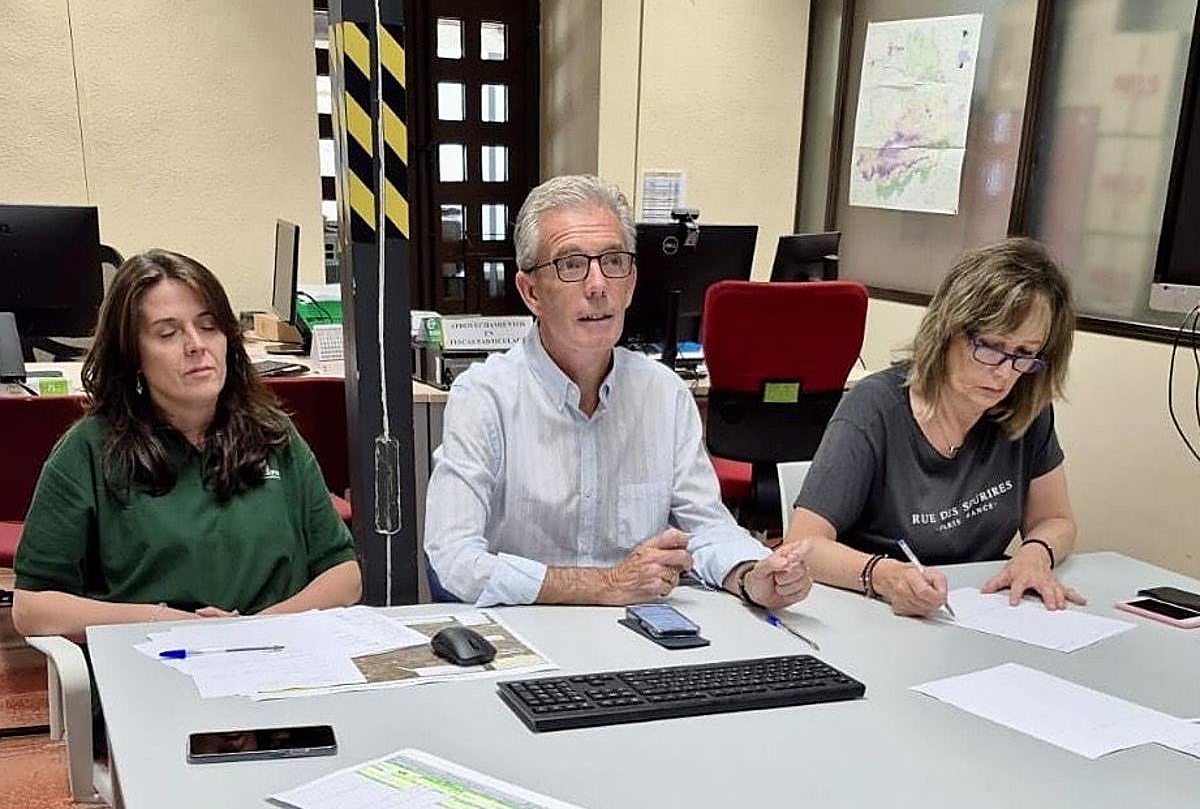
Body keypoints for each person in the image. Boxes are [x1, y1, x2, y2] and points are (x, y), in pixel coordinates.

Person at [424, 175, 811, 608]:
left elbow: (705, 527)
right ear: (530, 291)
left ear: (630, 282)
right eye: (571, 264)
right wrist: (605, 585)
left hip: (640, 634)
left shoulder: (663, 394)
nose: (597, 285)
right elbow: (452, 558)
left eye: (613, 261)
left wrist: (751, 575)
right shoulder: (485, 396)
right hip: (527, 635)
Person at [13, 250, 362, 642]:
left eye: (209, 326)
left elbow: (344, 574)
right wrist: (164, 623)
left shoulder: (272, 434)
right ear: (133, 355)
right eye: (168, 332)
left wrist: (253, 631)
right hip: (153, 664)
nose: (196, 344)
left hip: (275, 661)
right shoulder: (89, 450)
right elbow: (32, 608)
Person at [785, 237, 1084, 617]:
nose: (1005, 372)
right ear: (948, 331)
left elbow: (1055, 520)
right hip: (875, 612)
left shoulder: (1026, 410)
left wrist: (1035, 553)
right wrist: (887, 576)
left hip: (982, 612)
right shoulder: (875, 408)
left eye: (1025, 355)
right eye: (991, 346)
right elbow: (803, 543)